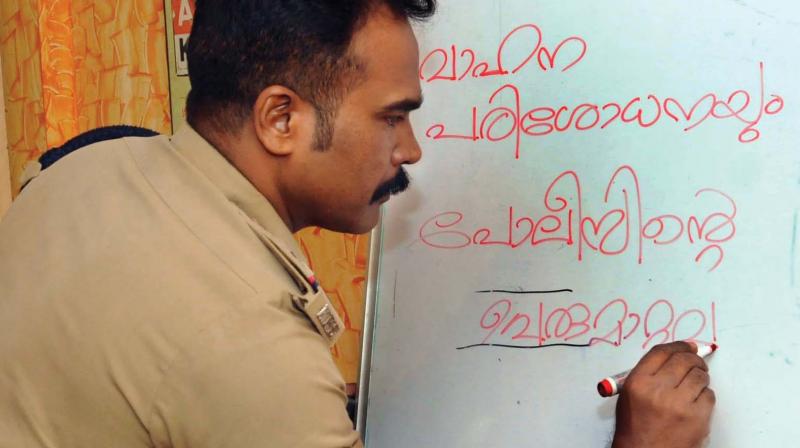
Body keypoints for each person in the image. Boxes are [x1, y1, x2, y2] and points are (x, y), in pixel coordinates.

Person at [0, 0, 714, 447]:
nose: (410, 150)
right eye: (393, 116)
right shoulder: (248, 347)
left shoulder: (90, 164)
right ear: (282, 118)